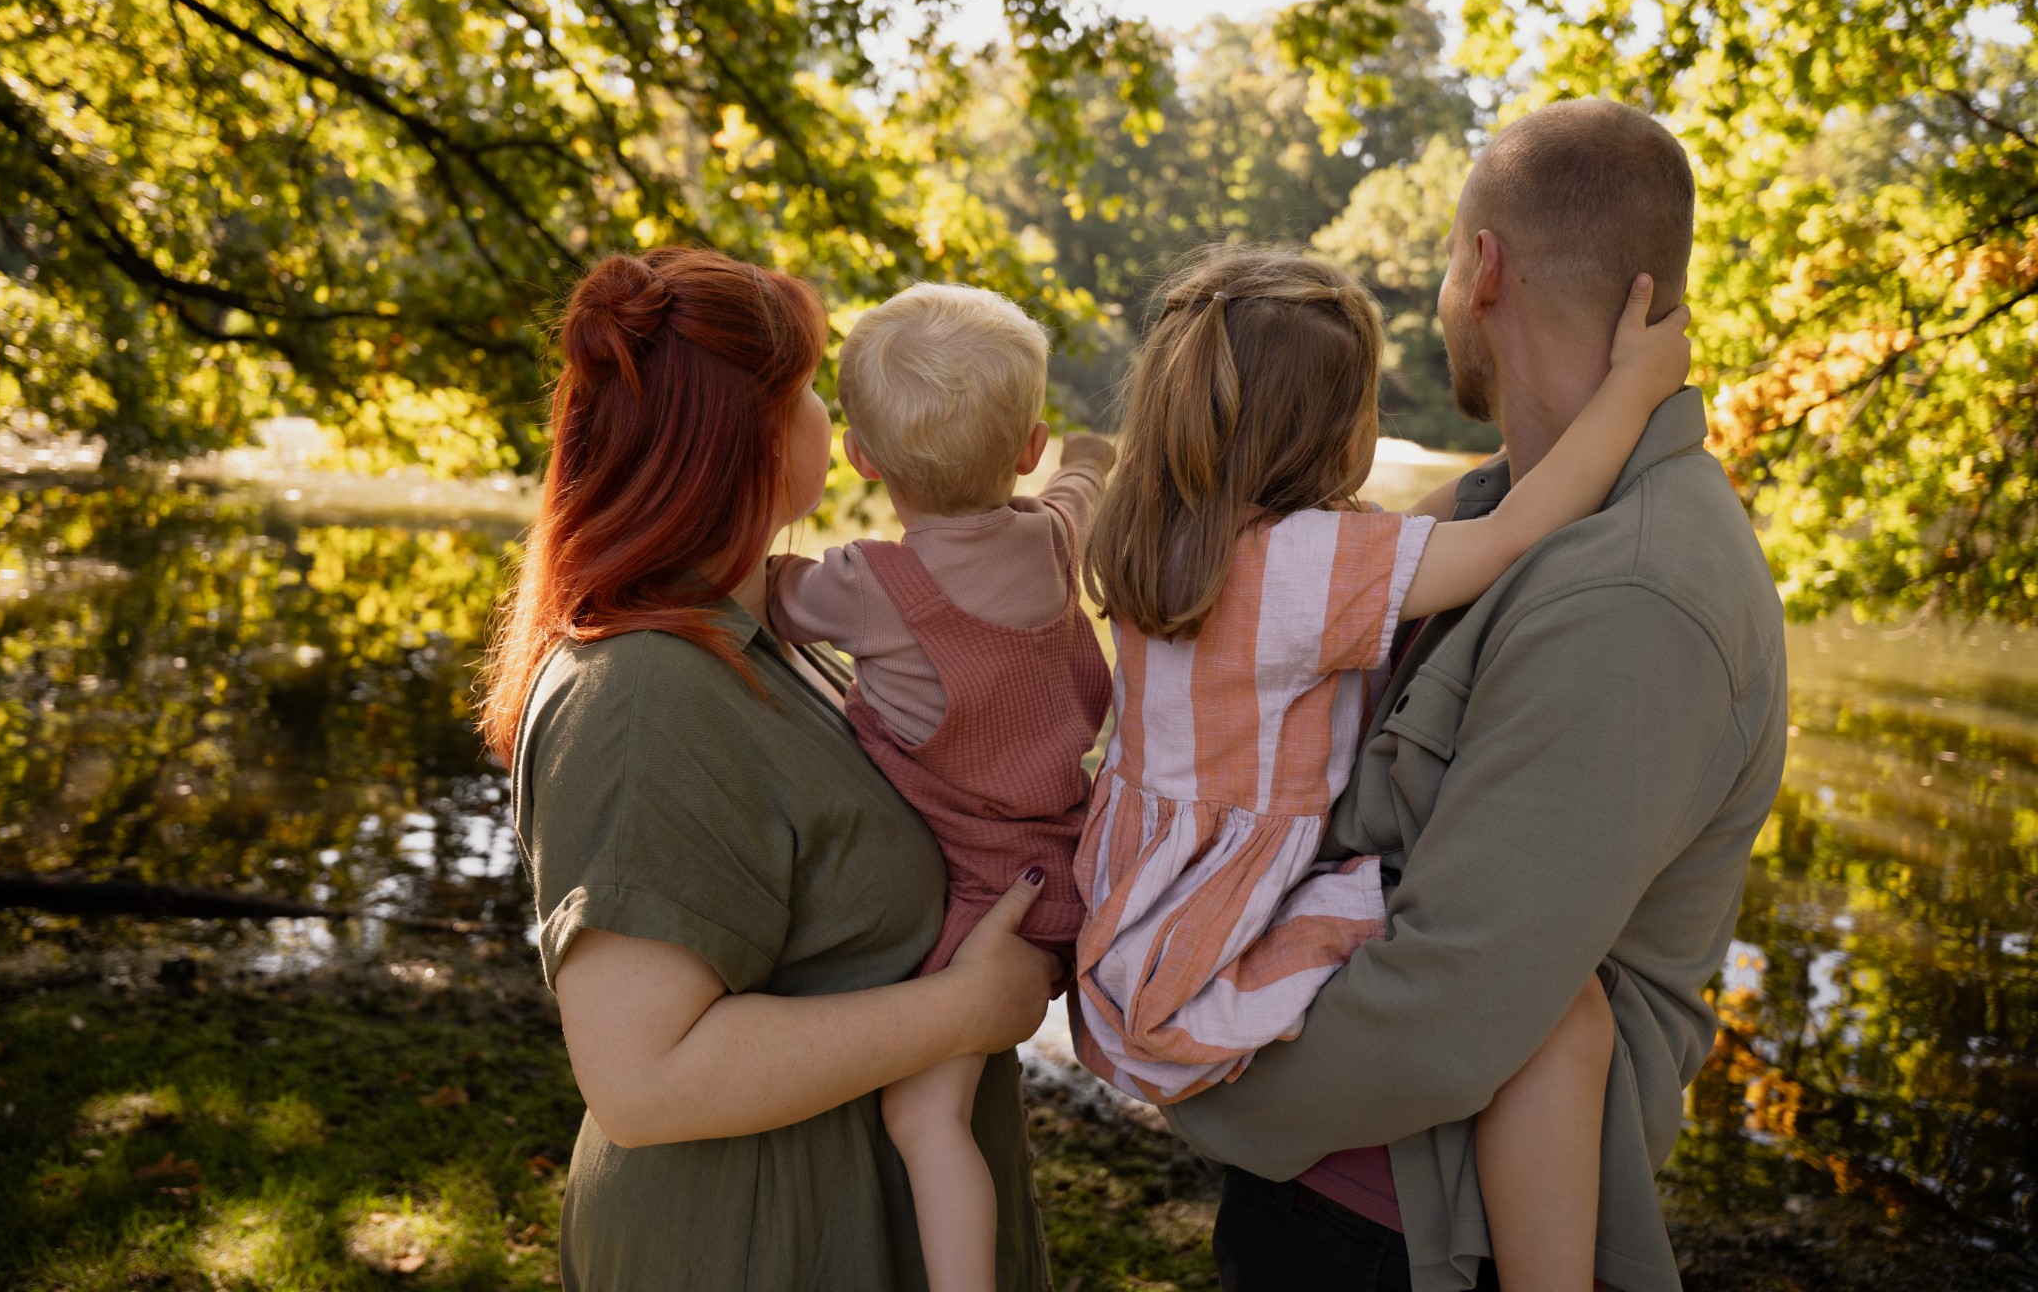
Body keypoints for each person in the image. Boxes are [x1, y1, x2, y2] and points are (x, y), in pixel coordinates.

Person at [1158, 99, 1790, 1292]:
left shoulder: (1633, 594)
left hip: (1415, 1231)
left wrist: (1197, 1081)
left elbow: (1453, 1006)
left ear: (1480, 267)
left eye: (1447, 268)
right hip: (1345, 1190)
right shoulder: (1492, 517)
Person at [1074, 247, 1690, 1292]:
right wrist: (1634, 388)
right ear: (1334, 435)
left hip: (1151, 916)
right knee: (1560, 1006)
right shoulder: (1306, 567)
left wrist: (1488, 479)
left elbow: (1440, 525)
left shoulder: (1176, 536)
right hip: (1218, 941)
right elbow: (1511, 536)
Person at [480, 248, 1061, 1292]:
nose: (828, 420)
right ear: (751, 433)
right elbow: (642, 1079)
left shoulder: (763, 641)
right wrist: (969, 1011)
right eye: (804, 392)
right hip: (755, 1247)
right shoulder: (643, 691)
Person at [766, 283, 1115, 1292]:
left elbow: (764, 597)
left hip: (982, 900)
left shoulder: (873, 585)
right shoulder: (1053, 538)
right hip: (1064, 870)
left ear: (861, 460)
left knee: (924, 1116)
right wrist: (1087, 456)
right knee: (940, 1108)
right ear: (1026, 447)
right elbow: (1085, 485)